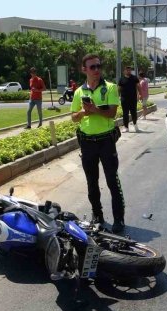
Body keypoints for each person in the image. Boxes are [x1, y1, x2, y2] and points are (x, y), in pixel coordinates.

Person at [71, 53, 126, 234]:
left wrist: (94, 109)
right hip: (87, 143)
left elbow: (112, 113)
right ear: (84, 69)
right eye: (92, 67)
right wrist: (82, 113)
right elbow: (73, 118)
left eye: (98, 66)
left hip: (106, 141)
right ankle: (97, 215)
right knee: (91, 182)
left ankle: (119, 219)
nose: (96, 70)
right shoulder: (79, 91)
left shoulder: (109, 88)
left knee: (112, 180)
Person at [118, 66, 140, 133]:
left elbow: (138, 86)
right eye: (127, 70)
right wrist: (118, 96)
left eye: (129, 70)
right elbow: (119, 88)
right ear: (124, 71)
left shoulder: (134, 78)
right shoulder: (121, 79)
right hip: (124, 99)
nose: (128, 71)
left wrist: (139, 94)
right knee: (125, 113)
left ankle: (135, 125)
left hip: (133, 98)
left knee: (134, 113)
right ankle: (126, 127)